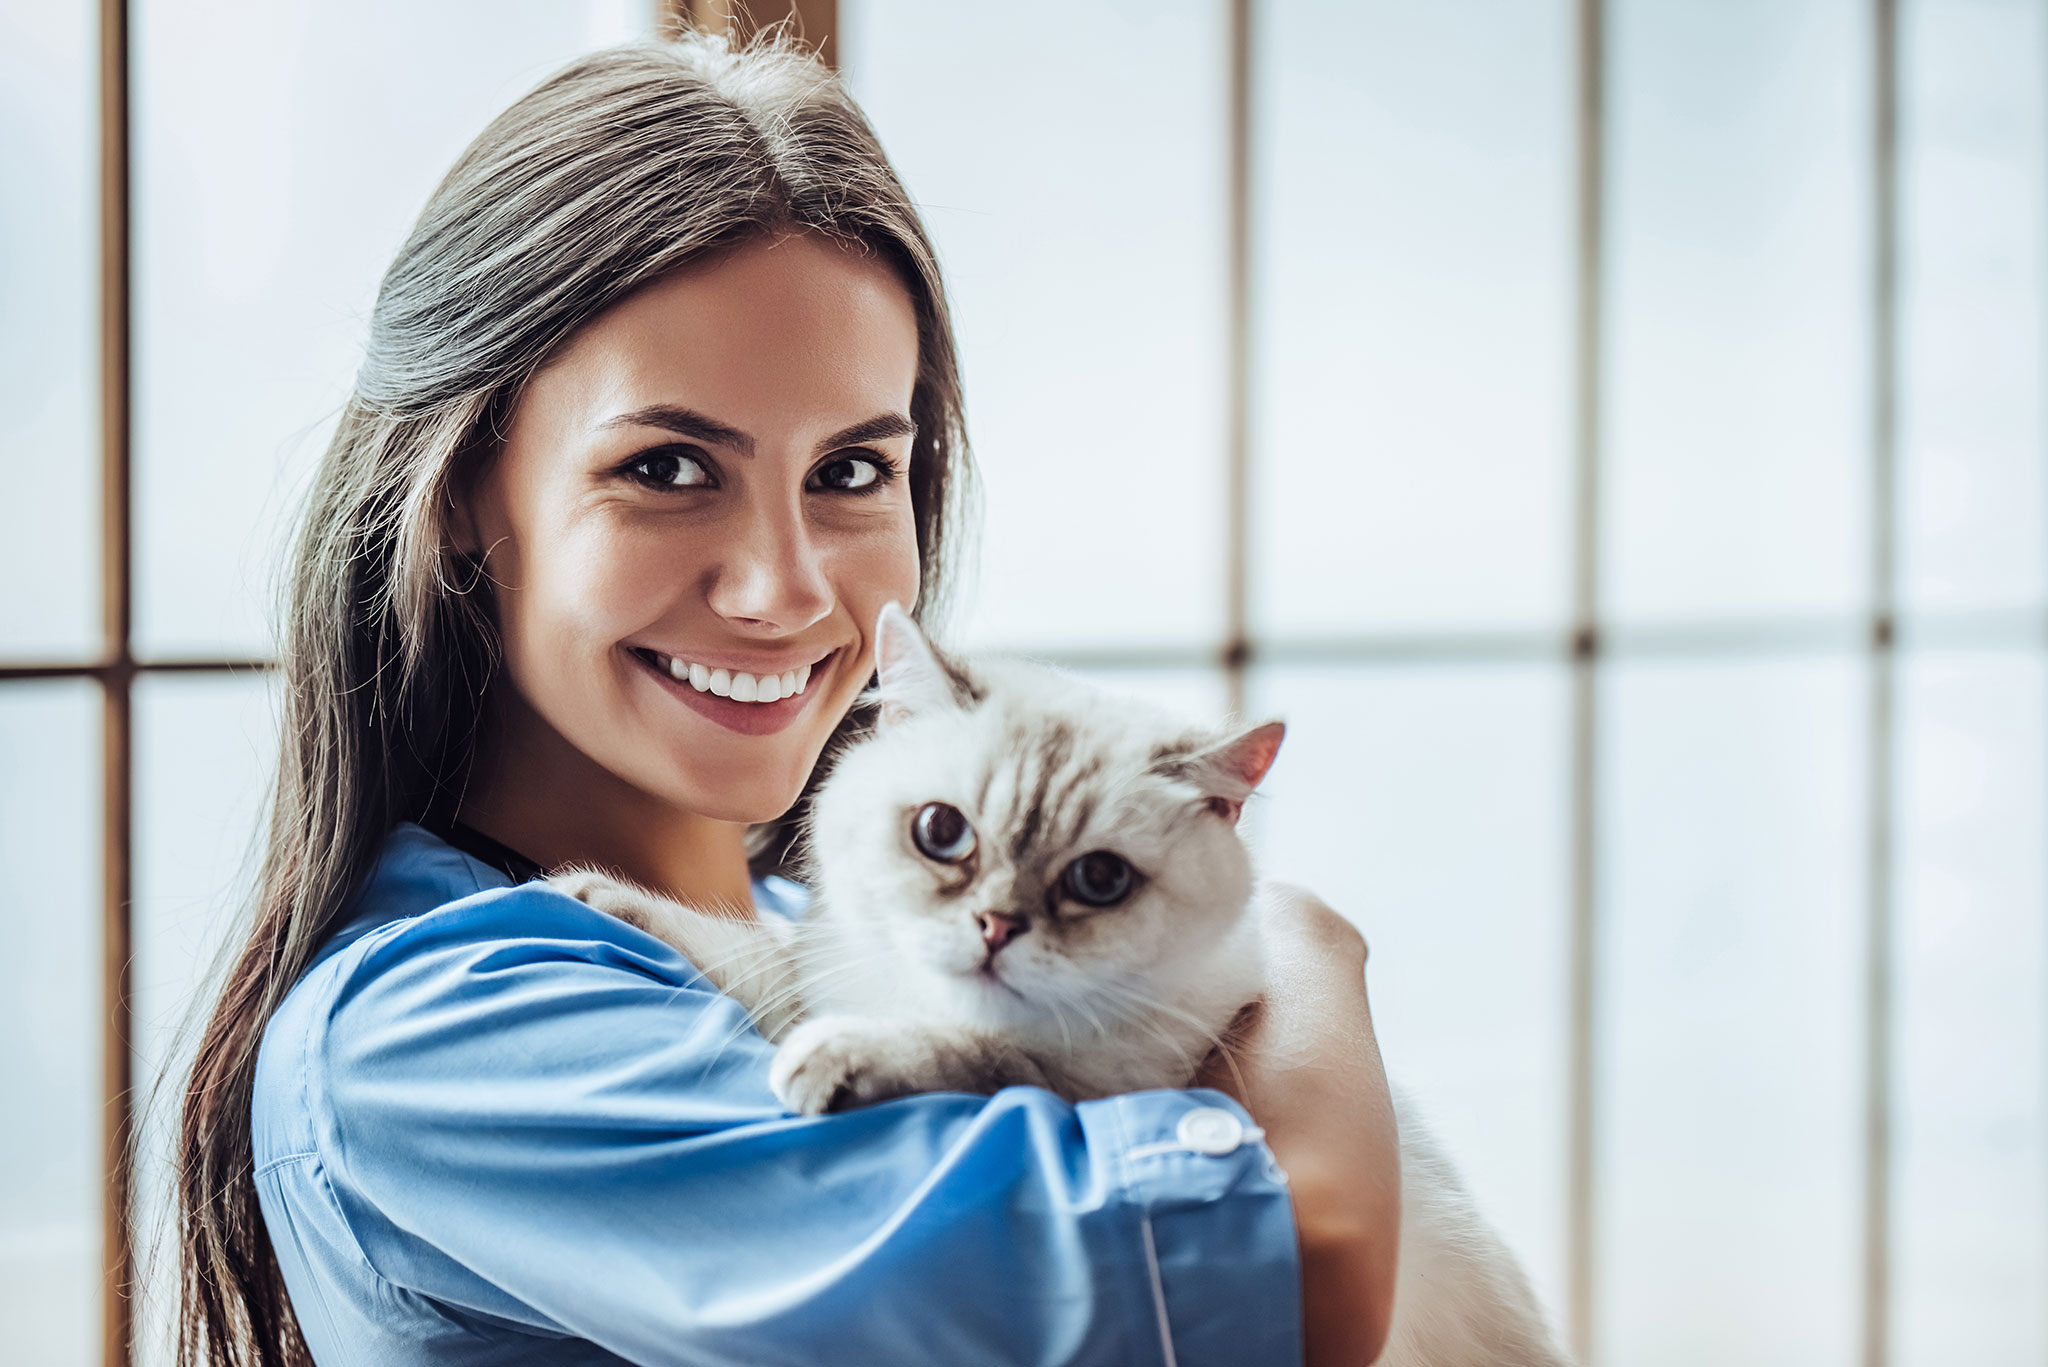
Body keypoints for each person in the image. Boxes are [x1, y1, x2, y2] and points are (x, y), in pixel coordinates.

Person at [170, 31, 1401, 1367]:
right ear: (465, 489)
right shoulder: (441, 1038)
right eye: (667, 468)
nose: (783, 590)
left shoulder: (856, 930)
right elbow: (1313, 1277)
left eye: (854, 473)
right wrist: (1309, 950)